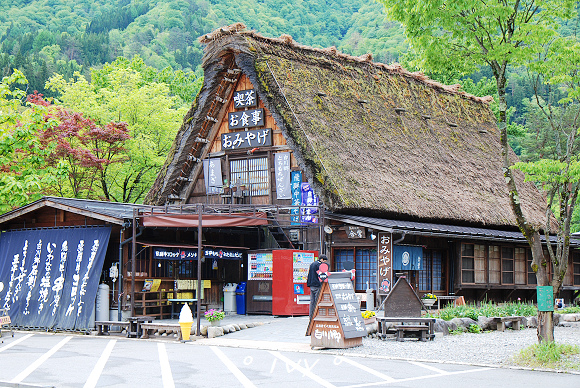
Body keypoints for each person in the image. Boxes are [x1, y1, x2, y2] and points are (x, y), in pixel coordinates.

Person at [307, 254, 328, 320]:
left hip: (311, 284)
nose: (324, 263)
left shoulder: (312, 264)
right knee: (317, 301)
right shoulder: (319, 265)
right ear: (322, 259)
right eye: (324, 261)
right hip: (317, 284)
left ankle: (311, 315)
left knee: (312, 301)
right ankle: (316, 314)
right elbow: (322, 275)